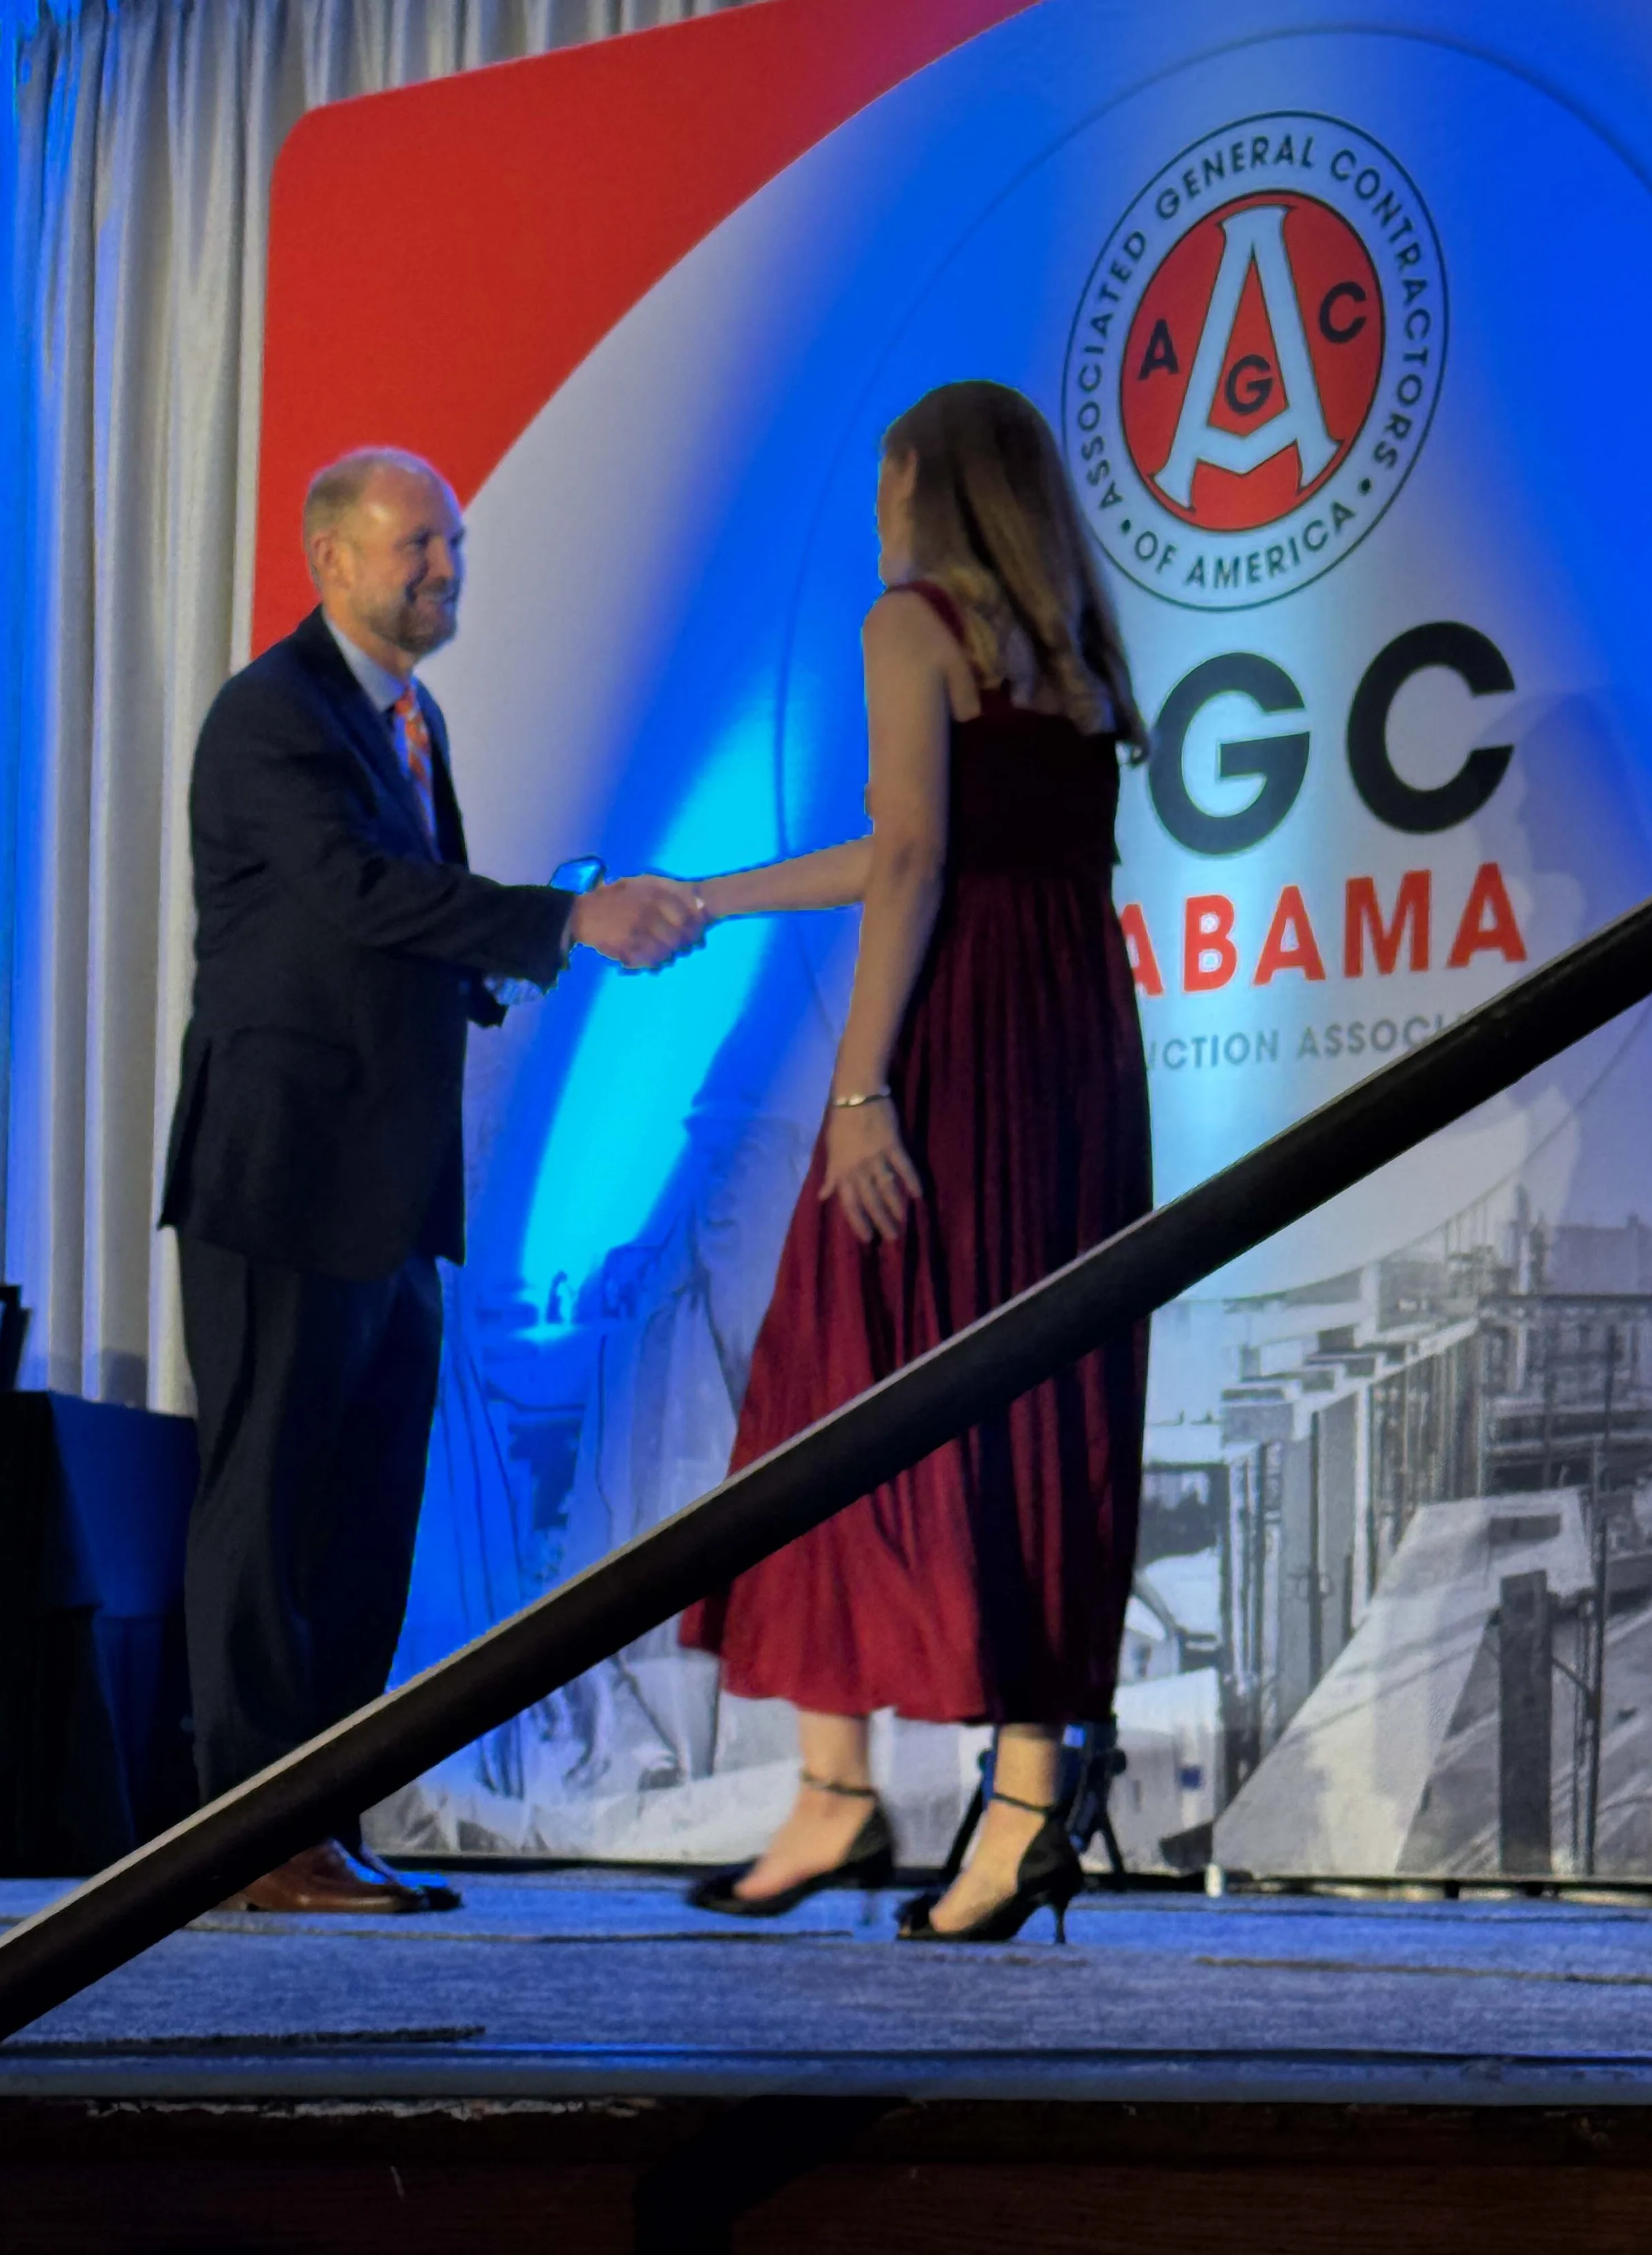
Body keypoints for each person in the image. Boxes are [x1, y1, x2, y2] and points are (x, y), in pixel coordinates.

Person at [159, 447, 703, 1913]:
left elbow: (395, 936)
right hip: (280, 1176)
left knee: (363, 1515)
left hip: (390, 1184)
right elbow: (355, 897)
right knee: (266, 1502)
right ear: (329, 558)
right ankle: (243, 1839)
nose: (444, 570)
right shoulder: (271, 715)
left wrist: (501, 972)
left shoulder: (413, 719)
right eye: (416, 547)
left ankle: (317, 1822)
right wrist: (561, 919)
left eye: (452, 545)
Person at [679, 382, 1152, 1942]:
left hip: (952, 1051)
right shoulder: (1069, 644)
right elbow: (917, 833)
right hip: (1069, 1052)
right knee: (1037, 1403)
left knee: (838, 1380)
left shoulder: (908, 621)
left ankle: (842, 1791)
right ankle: (1013, 1805)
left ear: (914, 485)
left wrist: (859, 1087)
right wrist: (723, 894)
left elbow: (913, 858)